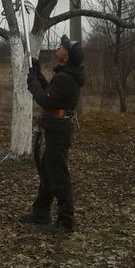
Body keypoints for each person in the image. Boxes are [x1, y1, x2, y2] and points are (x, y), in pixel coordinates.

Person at [19, 35, 85, 233]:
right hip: (55, 127)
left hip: (58, 129)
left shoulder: (66, 78)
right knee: (48, 171)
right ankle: (41, 212)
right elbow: (51, 93)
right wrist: (37, 74)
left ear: (67, 56)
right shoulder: (65, 74)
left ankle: (65, 221)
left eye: (63, 46)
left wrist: (32, 83)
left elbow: (46, 100)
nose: (59, 46)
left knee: (58, 174)